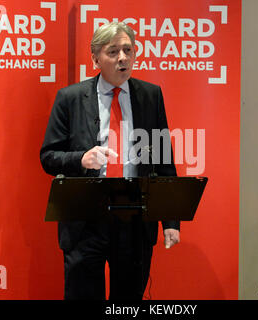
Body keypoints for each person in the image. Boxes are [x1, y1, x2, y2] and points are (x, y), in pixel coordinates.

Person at [40, 22, 180, 300]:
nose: (122, 58)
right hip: (85, 220)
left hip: (134, 218)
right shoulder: (70, 98)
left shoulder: (151, 96)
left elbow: (164, 159)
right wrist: (82, 158)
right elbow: (48, 157)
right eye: (113, 51)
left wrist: (171, 220)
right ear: (95, 58)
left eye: (128, 50)